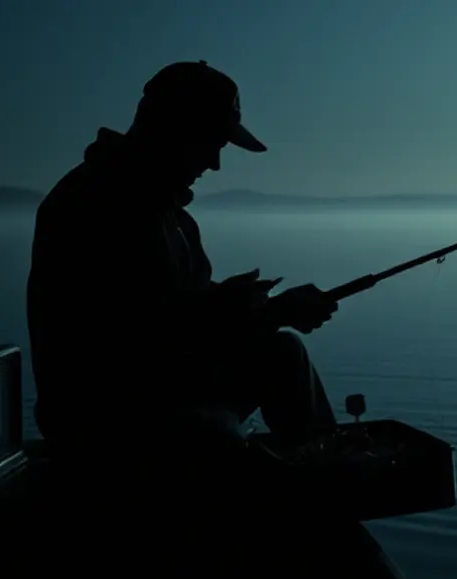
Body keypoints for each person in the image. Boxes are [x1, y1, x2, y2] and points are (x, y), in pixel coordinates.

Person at [26, 60, 340, 467]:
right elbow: (132, 336)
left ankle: (328, 472)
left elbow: (178, 316)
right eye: (212, 143)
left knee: (283, 353)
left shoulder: (169, 214)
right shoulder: (99, 203)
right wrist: (258, 312)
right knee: (212, 433)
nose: (215, 164)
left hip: (160, 388)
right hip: (102, 414)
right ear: (174, 129)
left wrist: (256, 309)